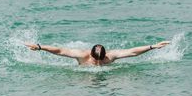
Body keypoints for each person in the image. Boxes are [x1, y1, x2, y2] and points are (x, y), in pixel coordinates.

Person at [25, 40, 170, 66]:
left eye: (102, 60)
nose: (100, 64)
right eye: (97, 61)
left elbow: (132, 52)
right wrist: (39, 47)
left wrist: (152, 46)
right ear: (91, 55)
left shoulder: (110, 56)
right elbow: (61, 50)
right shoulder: (82, 55)